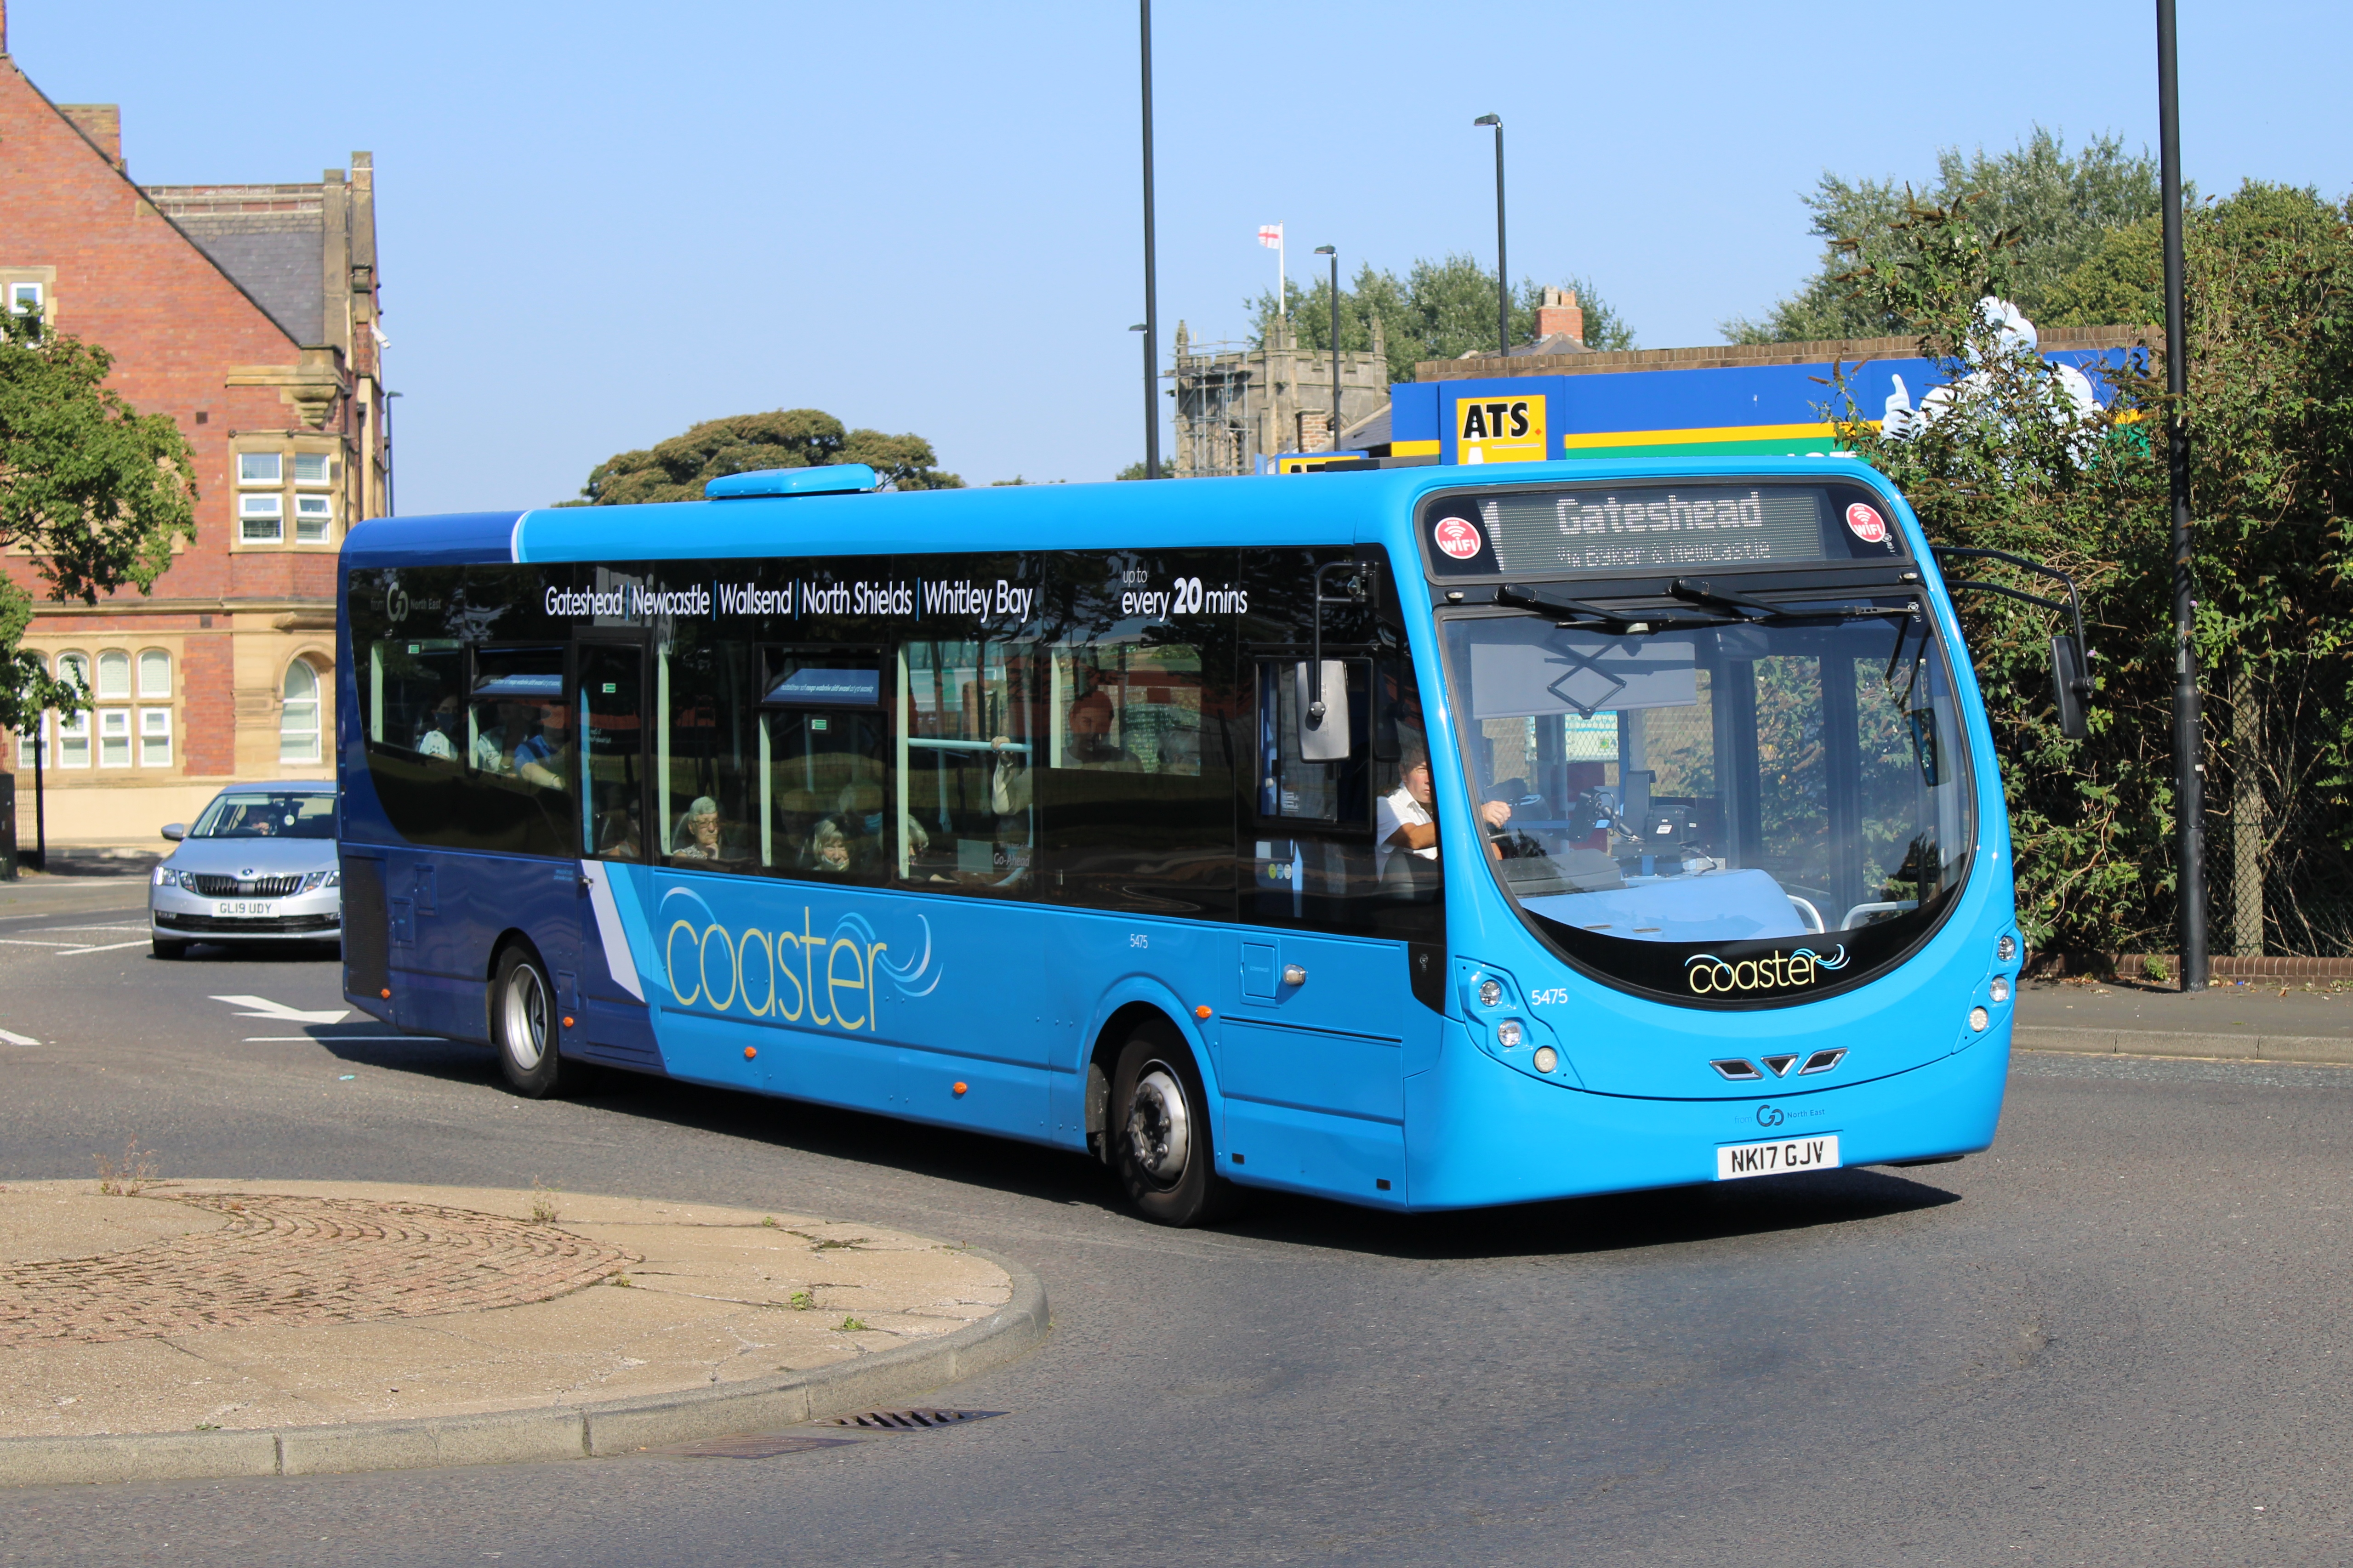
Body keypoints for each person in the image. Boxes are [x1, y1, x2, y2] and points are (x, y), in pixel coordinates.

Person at [1376, 750, 1510, 881]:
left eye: (1435, 770)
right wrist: (1474, 817)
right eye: (1422, 769)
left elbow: (1492, 852)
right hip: (1411, 896)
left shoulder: (1452, 805)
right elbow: (1413, 838)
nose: (1430, 779)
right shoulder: (1385, 804)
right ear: (1404, 773)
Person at [1063, 689, 1137, 770]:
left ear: (1110, 726)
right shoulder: (1056, 760)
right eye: (1087, 722)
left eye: (1102, 725)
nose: (1093, 732)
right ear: (1072, 720)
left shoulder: (1128, 762)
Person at [512, 702, 570, 789]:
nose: (561, 721)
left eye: (565, 717)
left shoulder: (576, 744)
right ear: (544, 718)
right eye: (556, 715)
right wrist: (556, 781)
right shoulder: (529, 747)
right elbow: (527, 769)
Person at [669, 796, 727, 862]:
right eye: (704, 823)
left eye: (716, 822)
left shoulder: (730, 855)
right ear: (692, 827)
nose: (712, 828)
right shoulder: (684, 858)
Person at [416, 692, 462, 761]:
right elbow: (436, 764)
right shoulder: (435, 738)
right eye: (445, 710)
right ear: (435, 714)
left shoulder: (452, 738)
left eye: (456, 710)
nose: (451, 713)